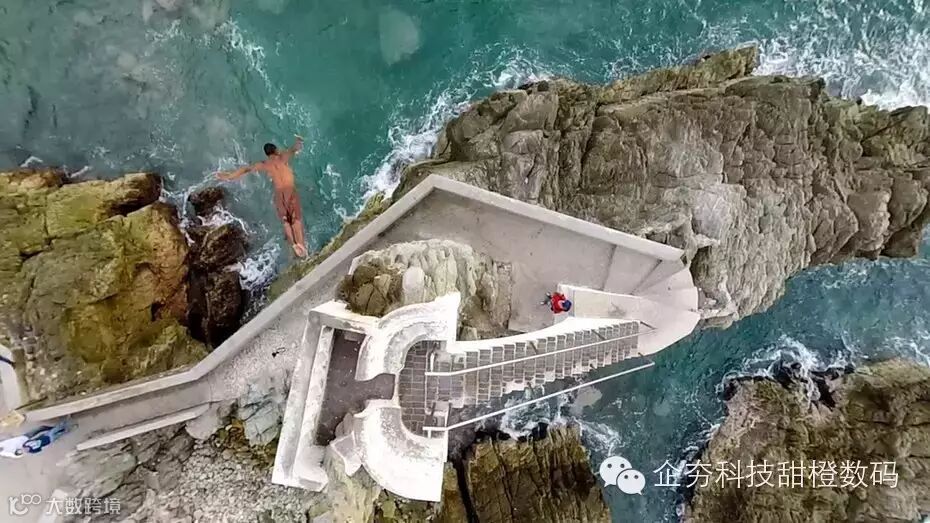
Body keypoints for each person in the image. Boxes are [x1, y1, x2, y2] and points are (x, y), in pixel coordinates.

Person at [217, 136, 308, 257]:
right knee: (296, 219)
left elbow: (246, 169)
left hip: (278, 194)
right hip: (289, 190)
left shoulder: (264, 164)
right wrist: (299, 140)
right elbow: (295, 148)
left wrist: (228, 176)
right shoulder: (283, 157)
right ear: (276, 150)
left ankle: (294, 245)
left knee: (286, 221)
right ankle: (302, 247)